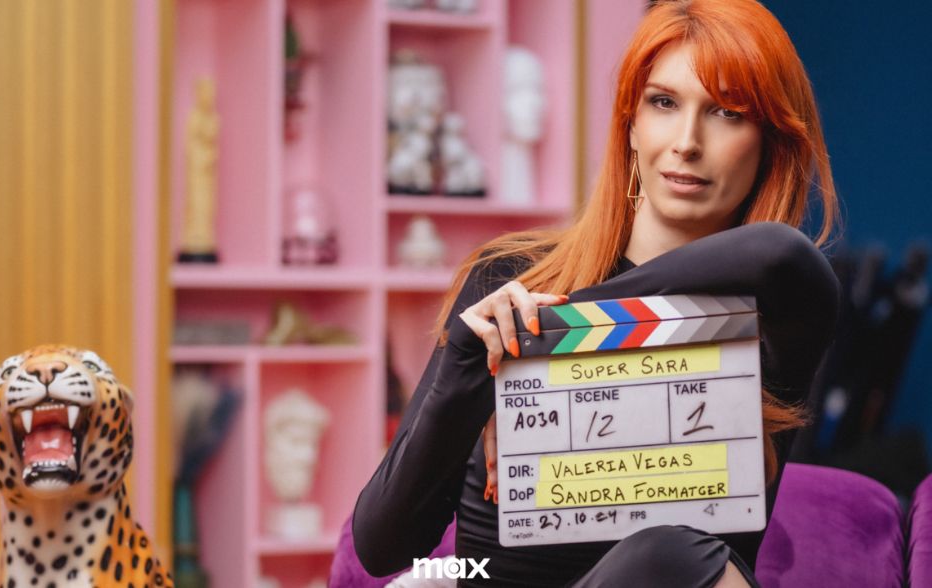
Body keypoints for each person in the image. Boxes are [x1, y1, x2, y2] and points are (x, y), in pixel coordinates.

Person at [353, 0, 841, 585]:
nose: (687, 141)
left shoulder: (778, 310)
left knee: (672, 554)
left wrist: (546, 346)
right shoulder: (510, 283)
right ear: (631, 123)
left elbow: (780, 254)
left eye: (727, 113)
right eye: (664, 103)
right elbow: (382, 546)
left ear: (768, 141)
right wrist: (466, 370)